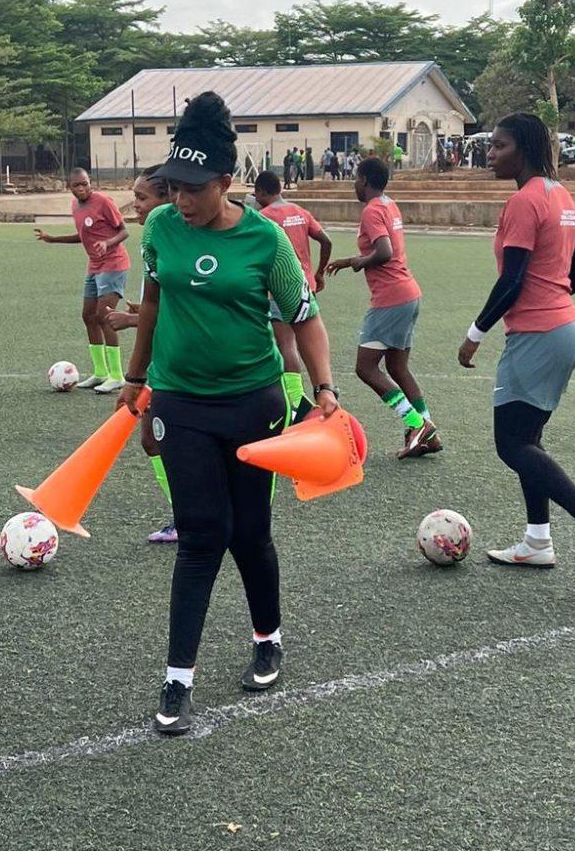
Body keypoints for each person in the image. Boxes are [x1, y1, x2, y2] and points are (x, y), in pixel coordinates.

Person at [117, 92, 338, 735]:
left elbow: (306, 319)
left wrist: (324, 391)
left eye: (192, 188)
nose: (178, 199)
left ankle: (267, 637)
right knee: (199, 534)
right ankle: (177, 679)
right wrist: (135, 379)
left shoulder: (265, 240)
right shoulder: (160, 229)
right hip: (180, 403)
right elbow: (153, 303)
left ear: (225, 182)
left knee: (249, 532)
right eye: (171, 187)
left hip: (254, 404)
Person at [457, 112, 575, 583]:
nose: (490, 153)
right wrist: (552, 298)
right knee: (527, 440)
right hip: (567, 329)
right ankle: (537, 542)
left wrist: (474, 334)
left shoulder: (524, 201)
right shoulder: (561, 195)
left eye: (499, 145)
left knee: (511, 444)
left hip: (539, 335)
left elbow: (511, 281)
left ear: (524, 149)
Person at [326, 156, 442, 459]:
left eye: (355, 177)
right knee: (397, 366)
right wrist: (354, 259)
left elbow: (385, 251)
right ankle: (428, 432)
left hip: (391, 298)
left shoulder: (371, 210)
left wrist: (356, 262)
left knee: (365, 367)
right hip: (408, 293)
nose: (353, 183)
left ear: (364, 180)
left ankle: (418, 424)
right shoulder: (389, 204)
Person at [105, 166, 178, 544]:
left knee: (159, 440)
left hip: (175, 368)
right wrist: (139, 314)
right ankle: (188, 516)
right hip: (161, 366)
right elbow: (159, 305)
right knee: (152, 439)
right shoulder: (157, 239)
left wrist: (131, 320)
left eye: (142, 199)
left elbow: (179, 315)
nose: (135, 207)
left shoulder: (175, 241)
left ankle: (191, 518)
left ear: (168, 200)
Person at [35, 168, 130, 393]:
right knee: (88, 316)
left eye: (85, 184)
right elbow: (84, 236)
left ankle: (117, 375)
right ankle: (100, 373)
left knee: (104, 316)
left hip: (114, 263)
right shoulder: (76, 207)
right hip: (95, 266)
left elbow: (124, 231)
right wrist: (53, 239)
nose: (82, 188)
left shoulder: (103, 202)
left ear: (90, 183)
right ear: (70, 188)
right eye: (77, 185)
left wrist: (108, 243)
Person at [254, 170, 333, 415]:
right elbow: (326, 241)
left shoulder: (264, 217)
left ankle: (297, 400)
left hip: (280, 288)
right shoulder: (300, 211)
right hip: (305, 285)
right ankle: (323, 391)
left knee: (286, 344)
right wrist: (319, 273)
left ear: (261, 192)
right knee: (307, 341)